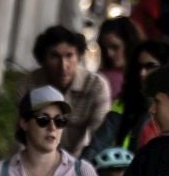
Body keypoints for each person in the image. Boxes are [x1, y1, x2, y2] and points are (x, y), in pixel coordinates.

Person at [19, 25, 110, 156]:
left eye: (69, 56)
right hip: (36, 160)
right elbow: (21, 135)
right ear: (43, 59)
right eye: (55, 56)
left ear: (79, 57)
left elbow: (98, 137)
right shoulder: (29, 85)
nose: (63, 65)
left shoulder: (96, 86)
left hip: (80, 161)